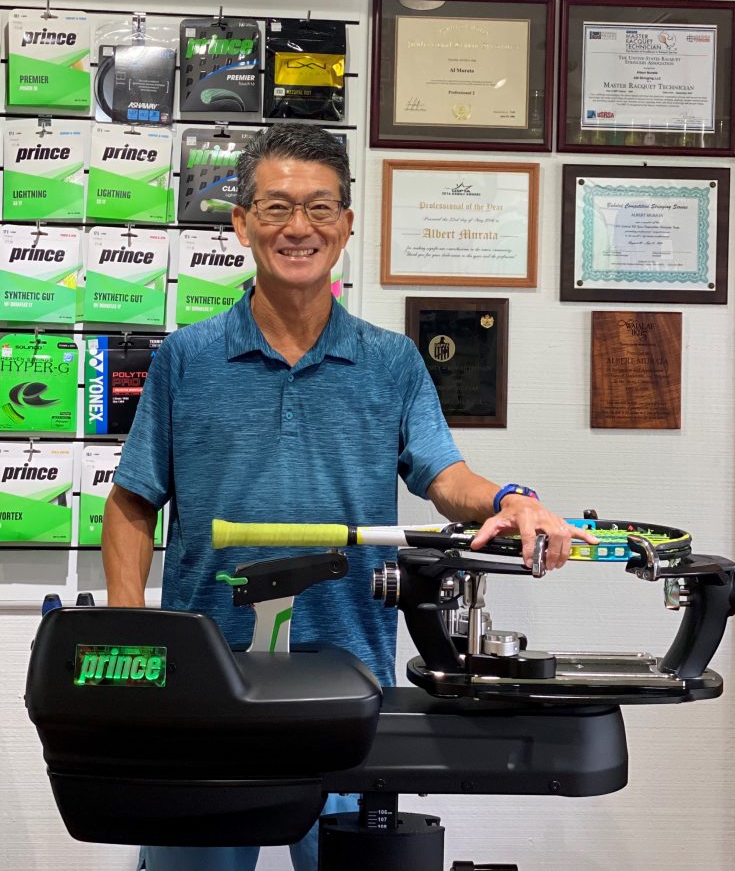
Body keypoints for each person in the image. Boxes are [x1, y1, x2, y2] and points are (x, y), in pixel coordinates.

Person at [102, 122, 598, 871]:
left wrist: (511, 498)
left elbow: (445, 477)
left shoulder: (391, 362)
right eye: (276, 207)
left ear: (346, 224)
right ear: (241, 223)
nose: (298, 227)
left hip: (347, 685)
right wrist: (132, 642)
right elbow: (132, 503)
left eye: (319, 208)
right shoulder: (186, 360)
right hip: (206, 688)